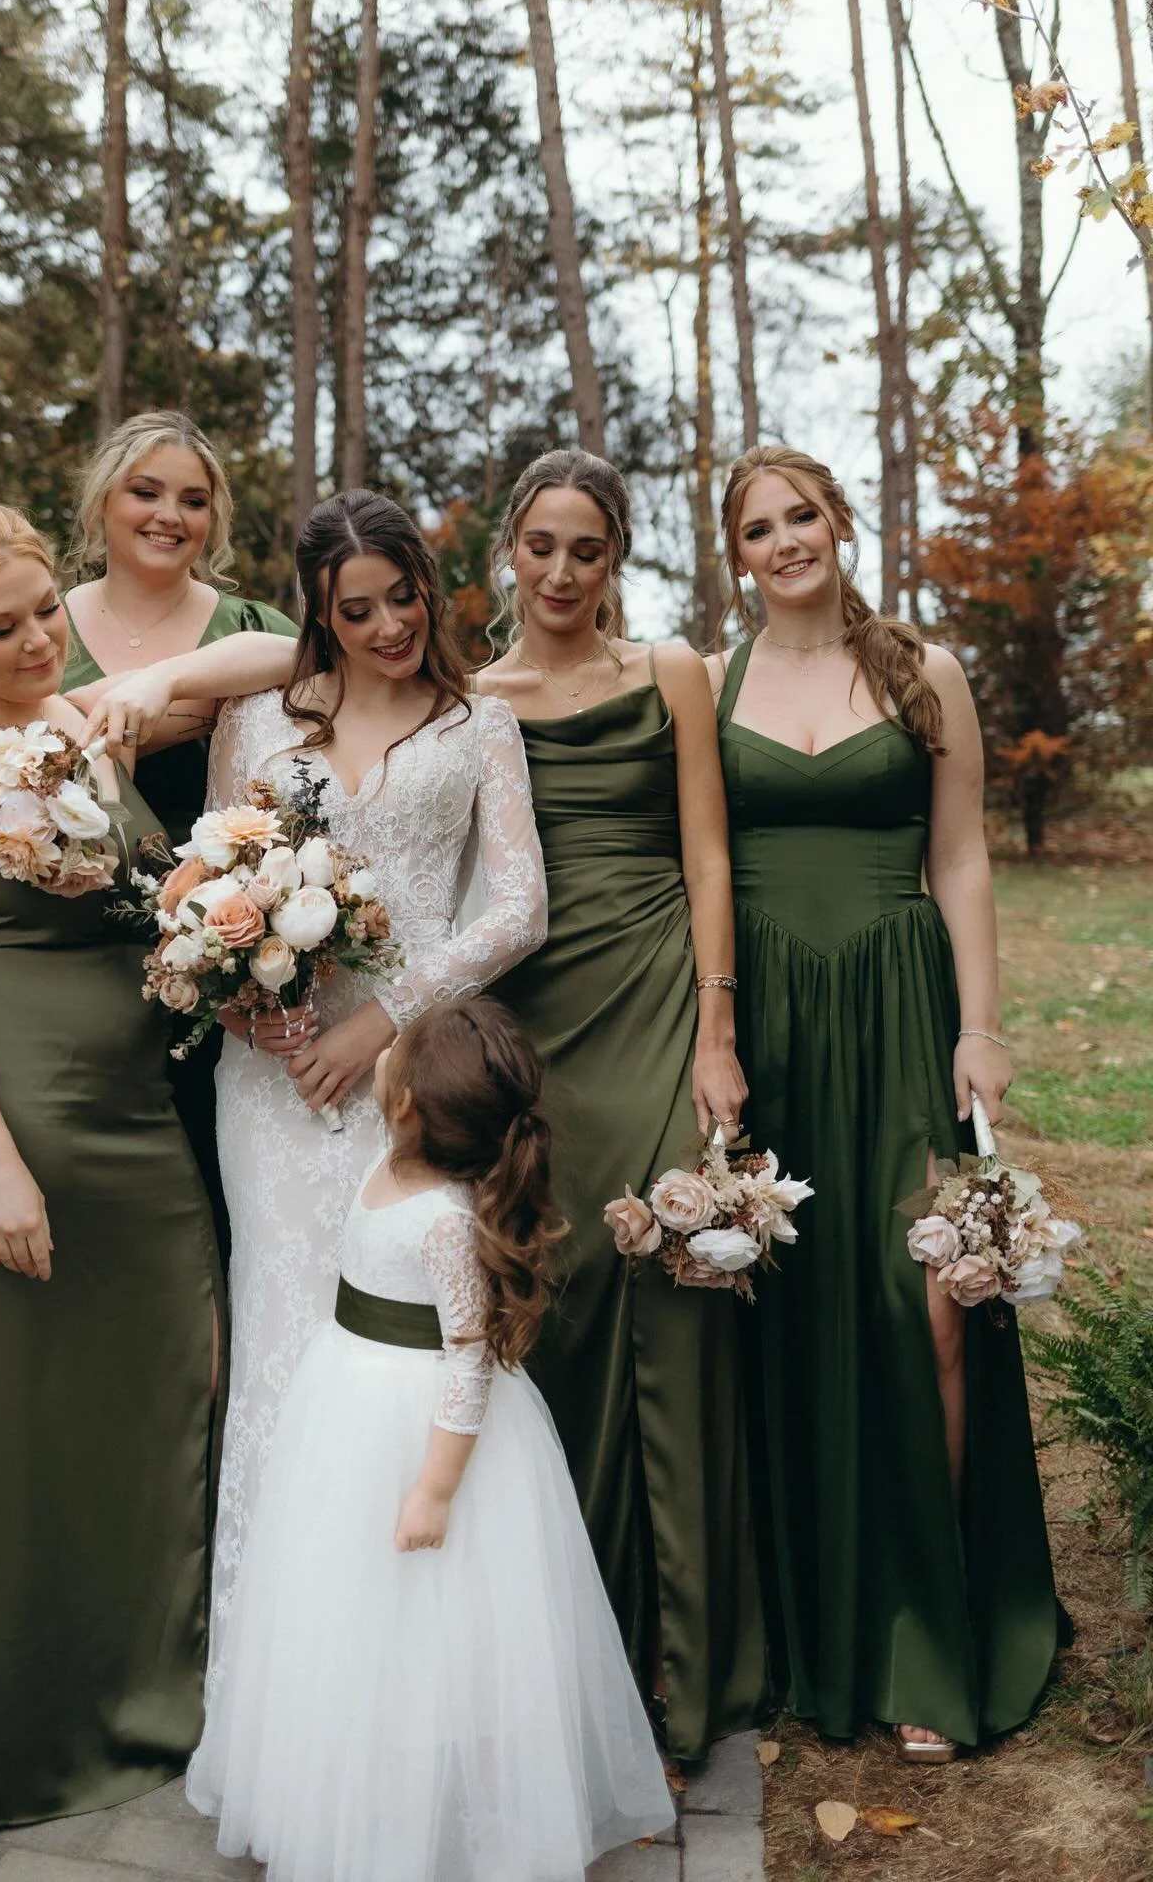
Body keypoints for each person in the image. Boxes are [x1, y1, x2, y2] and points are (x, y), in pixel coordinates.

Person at [0, 499, 275, 1842]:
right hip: (11, 1124)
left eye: (48, 609)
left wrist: (149, 687)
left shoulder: (87, 728)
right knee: (7, 1432)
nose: (40, 638)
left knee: (172, 1383)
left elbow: (288, 656)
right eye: (4, 624)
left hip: (135, 1120)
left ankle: (146, 1696)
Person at [90, 489, 548, 1681]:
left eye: (406, 594)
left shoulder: (475, 723)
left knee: (412, 1344)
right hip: (271, 1083)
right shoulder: (261, 719)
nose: (391, 623)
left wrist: (385, 1021)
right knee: (285, 1343)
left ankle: (417, 1659)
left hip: (412, 1083)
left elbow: (518, 906)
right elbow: (212, 882)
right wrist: (253, 996)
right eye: (360, 607)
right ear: (320, 613)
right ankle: (278, 1677)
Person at [709, 444, 1058, 1760]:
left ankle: (928, 1623)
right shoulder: (713, 679)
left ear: (840, 520)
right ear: (736, 552)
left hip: (903, 1008)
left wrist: (981, 1023)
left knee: (933, 1308)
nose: (787, 538)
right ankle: (807, 1625)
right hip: (778, 1029)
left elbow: (960, 853)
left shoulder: (929, 671)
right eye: (759, 525)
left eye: (804, 513)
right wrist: (718, 1018)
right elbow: (699, 862)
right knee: (797, 1314)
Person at [186, 997, 676, 1882]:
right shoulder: (385, 1158)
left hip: (420, 1434)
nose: (385, 1051)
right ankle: (353, 1783)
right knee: (347, 1612)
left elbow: (467, 1360)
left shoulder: (448, 1221)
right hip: (345, 1400)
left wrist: (436, 1487)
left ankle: (447, 1809)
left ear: (406, 1100)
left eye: (397, 1052)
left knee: (439, 1625)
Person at [0, 411, 297, 1250]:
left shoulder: (178, 661)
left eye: (192, 497)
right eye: (144, 490)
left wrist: (160, 687)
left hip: (189, 973)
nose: (167, 514)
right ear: (99, 502)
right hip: (29, 1012)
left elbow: (311, 661)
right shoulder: (5, 674)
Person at [477, 449, 767, 1762]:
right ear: (509, 549)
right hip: (536, 1025)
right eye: (539, 544)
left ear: (617, 557)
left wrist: (717, 1026)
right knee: (565, 1297)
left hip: (658, 999)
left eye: (584, 548)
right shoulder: (475, 697)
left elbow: (710, 847)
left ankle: (693, 1664)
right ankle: (573, 1657)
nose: (559, 572)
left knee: (676, 1290)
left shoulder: (676, 674)